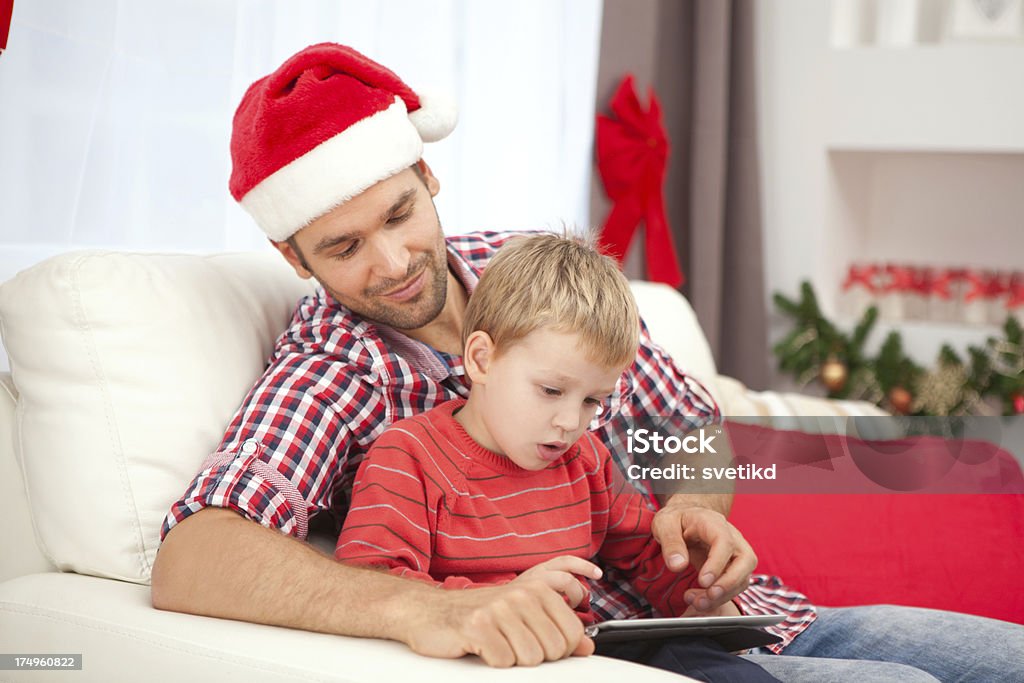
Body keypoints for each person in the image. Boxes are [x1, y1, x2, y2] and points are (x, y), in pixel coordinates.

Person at [151, 42, 1024, 679]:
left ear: (427, 176)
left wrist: (695, 508)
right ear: (296, 259)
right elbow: (193, 555)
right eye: (341, 247)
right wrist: (433, 608)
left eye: (398, 213)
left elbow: (684, 420)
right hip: (630, 662)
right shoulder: (335, 369)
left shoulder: (530, 268)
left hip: (763, 620)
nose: (390, 262)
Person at [335, 232, 781, 682]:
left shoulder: (585, 459)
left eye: (592, 401)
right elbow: (373, 588)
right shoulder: (407, 457)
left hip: (590, 660)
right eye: (551, 391)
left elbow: (648, 555)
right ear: (482, 359)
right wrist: (504, 598)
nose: (571, 422)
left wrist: (704, 592)